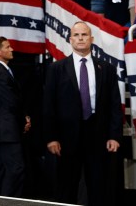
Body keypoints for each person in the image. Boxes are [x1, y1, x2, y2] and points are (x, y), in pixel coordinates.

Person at [43, 21, 122, 206]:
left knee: (98, 186)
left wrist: (114, 136)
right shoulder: (57, 69)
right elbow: (48, 106)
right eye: (76, 35)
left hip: (97, 134)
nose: (80, 38)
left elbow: (114, 105)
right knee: (66, 186)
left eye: (84, 35)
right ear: (70, 40)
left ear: (91, 39)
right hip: (66, 137)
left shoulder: (107, 69)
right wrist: (51, 138)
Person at [0, 37, 30, 197]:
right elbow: (11, 101)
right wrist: (23, 120)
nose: (12, 49)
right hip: (6, 130)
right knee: (16, 169)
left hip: (4, 130)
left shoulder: (2, 71)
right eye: (8, 47)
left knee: (1, 170)